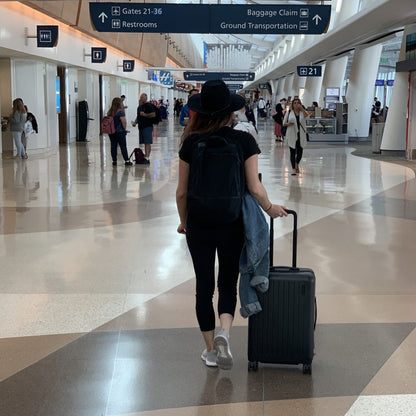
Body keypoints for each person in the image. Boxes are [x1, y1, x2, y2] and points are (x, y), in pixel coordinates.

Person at [176, 80, 287, 370]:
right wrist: (271, 209)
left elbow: (181, 192)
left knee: (204, 287)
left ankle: (211, 350)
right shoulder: (244, 141)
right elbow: (255, 187)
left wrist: (183, 222)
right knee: (227, 283)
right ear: (230, 111)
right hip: (232, 221)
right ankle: (225, 331)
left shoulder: (190, 143)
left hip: (199, 223)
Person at [283, 98, 310, 176]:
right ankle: (293, 169)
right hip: (292, 133)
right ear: (292, 104)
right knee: (292, 152)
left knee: (300, 152)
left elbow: (307, 117)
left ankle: (297, 163)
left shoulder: (302, 112)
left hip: (301, 134)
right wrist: (289, 124)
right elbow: (284, 123)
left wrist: (302, 109)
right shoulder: (289, 112)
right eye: (294, 103)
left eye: (298, 103)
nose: (296, 104)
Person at [107, 97, 132, 167]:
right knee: (123, 146)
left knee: (113, 146)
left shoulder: (110, 111)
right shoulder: (120, 111)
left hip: (111, 132)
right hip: (119, 132)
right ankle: (126, 160)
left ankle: (114, 160)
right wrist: (124, 129)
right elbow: (124, 122)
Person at [132, 93, 155, 164]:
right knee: (144, 142)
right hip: (141, 126)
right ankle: (145, 156)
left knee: (147, 142)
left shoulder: (149, 106)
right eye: (141, 97)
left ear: (146, 98)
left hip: (147, 126)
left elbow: (153, 114)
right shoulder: (139, 107)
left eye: (143, 97)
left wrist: (145, 115)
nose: (141, 99)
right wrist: (135, 122)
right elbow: (138, 116)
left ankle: (147, 157)